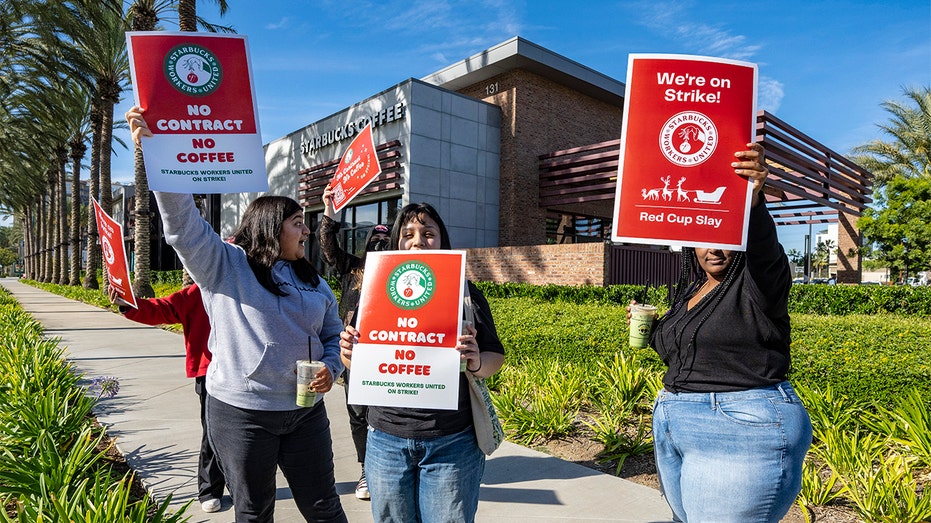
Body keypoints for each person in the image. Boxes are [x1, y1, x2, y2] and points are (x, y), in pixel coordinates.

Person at [127, 106, 347, 523]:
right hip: (242, 415)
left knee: (324, 507)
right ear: (270, 226)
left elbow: (333, 333)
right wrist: (158, 157)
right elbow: (182, 227)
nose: (306, 232)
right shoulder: (225, 265)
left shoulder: (313, 279)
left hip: (305, 413)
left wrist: (332, 368)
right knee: (254, 511)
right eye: (298, 223)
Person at [629, 143, 812, 523]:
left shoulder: (758, 283)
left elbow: (764, 248)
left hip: (739, 428)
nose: (712, 249)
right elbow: (684, 353)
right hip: (676, 425)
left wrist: (754, 195)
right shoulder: (692, 290)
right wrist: (652, 326)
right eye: (703, 237)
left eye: (723, 238)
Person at [338, 202, 505, 523]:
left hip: (452, 443)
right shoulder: (374, 295)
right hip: (385, 441)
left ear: (443, 241)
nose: (418, 241)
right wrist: (348, 352)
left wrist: (475, 361)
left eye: (428, 233)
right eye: (408, 234)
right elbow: (354, 363)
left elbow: (494, 356)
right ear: (396, 243)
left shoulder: (465, 293)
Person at [107, 283, 226, 513]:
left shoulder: (254, 283)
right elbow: (162, 308)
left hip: (249, 372)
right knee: (213, 432)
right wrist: (128, 304)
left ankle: (241, 485)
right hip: (210, 371)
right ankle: (210, 489)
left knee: (248, 436)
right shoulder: (198, 290)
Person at [317, 185, 390, 501]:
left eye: (386, 242)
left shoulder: (404, 274)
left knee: (387, 415)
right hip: (355, 357)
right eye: (375, 241)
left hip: (393, 355)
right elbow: (328, 247)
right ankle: (367, 470)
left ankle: (391, 467)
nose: (379, 246)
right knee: (358, 415)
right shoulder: (352, 268)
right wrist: (330, 212)